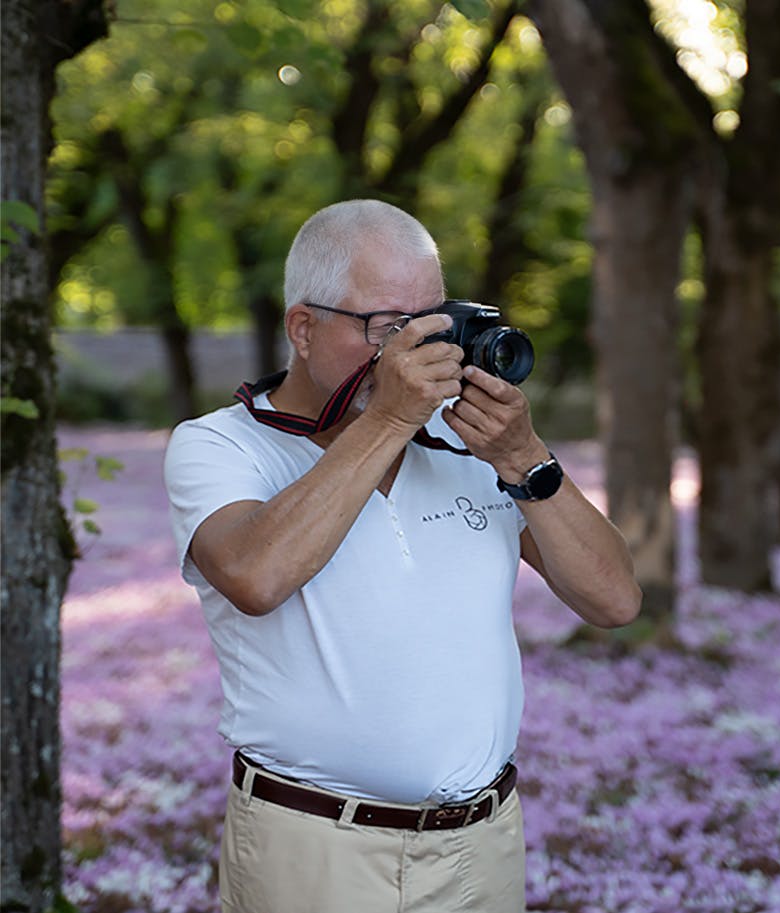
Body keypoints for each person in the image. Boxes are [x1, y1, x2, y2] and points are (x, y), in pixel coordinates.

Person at [164, 199, 641, 913]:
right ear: (303, 326)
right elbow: (256, 576)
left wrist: (524, 457)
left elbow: (614, 600)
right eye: (391, 327)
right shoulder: (221, 445)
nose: (423, 352)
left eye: (434, 323)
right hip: (313, 851)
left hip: (481, 846)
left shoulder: (470, 445)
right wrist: (389, 416)